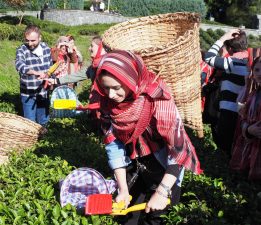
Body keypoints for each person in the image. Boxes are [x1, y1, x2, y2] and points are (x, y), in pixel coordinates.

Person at [93, 50, 202, 225]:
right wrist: (122, 188)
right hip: (136, 166)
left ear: (130, 80)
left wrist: (162, 191)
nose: (111, 94)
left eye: (116, 88)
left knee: (156, 218)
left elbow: (178, 150)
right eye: (106, 88)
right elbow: (113, 146)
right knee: (127, 217)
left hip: (165, 169)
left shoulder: (158, 100)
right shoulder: (109, 104)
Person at [204, 29, 249, 157]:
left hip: (229, 111)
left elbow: (208, 57)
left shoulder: (232, 63)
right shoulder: (249, 63)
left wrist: (222, 38)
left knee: (226, 146)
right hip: (245, 113)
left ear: (229, 49)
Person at [230, 56, 261, 180]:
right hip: (253, 150)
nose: (260, 74)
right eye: (257, 70)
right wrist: (248, 129)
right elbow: (243, 119)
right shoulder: (253, 95)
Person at [15, 25, 52, 126]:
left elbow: (50, 67)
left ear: (40, 37)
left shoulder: (46, 49)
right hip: (28, 93)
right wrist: (36, 73)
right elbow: (19, 65)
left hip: (43, 92)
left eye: (33, 40)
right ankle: (31, 141)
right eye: (27, 40)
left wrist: (51, 78)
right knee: (29, 123)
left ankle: (43, 139)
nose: (30, 43)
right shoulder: (22, 50)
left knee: (43, 121)